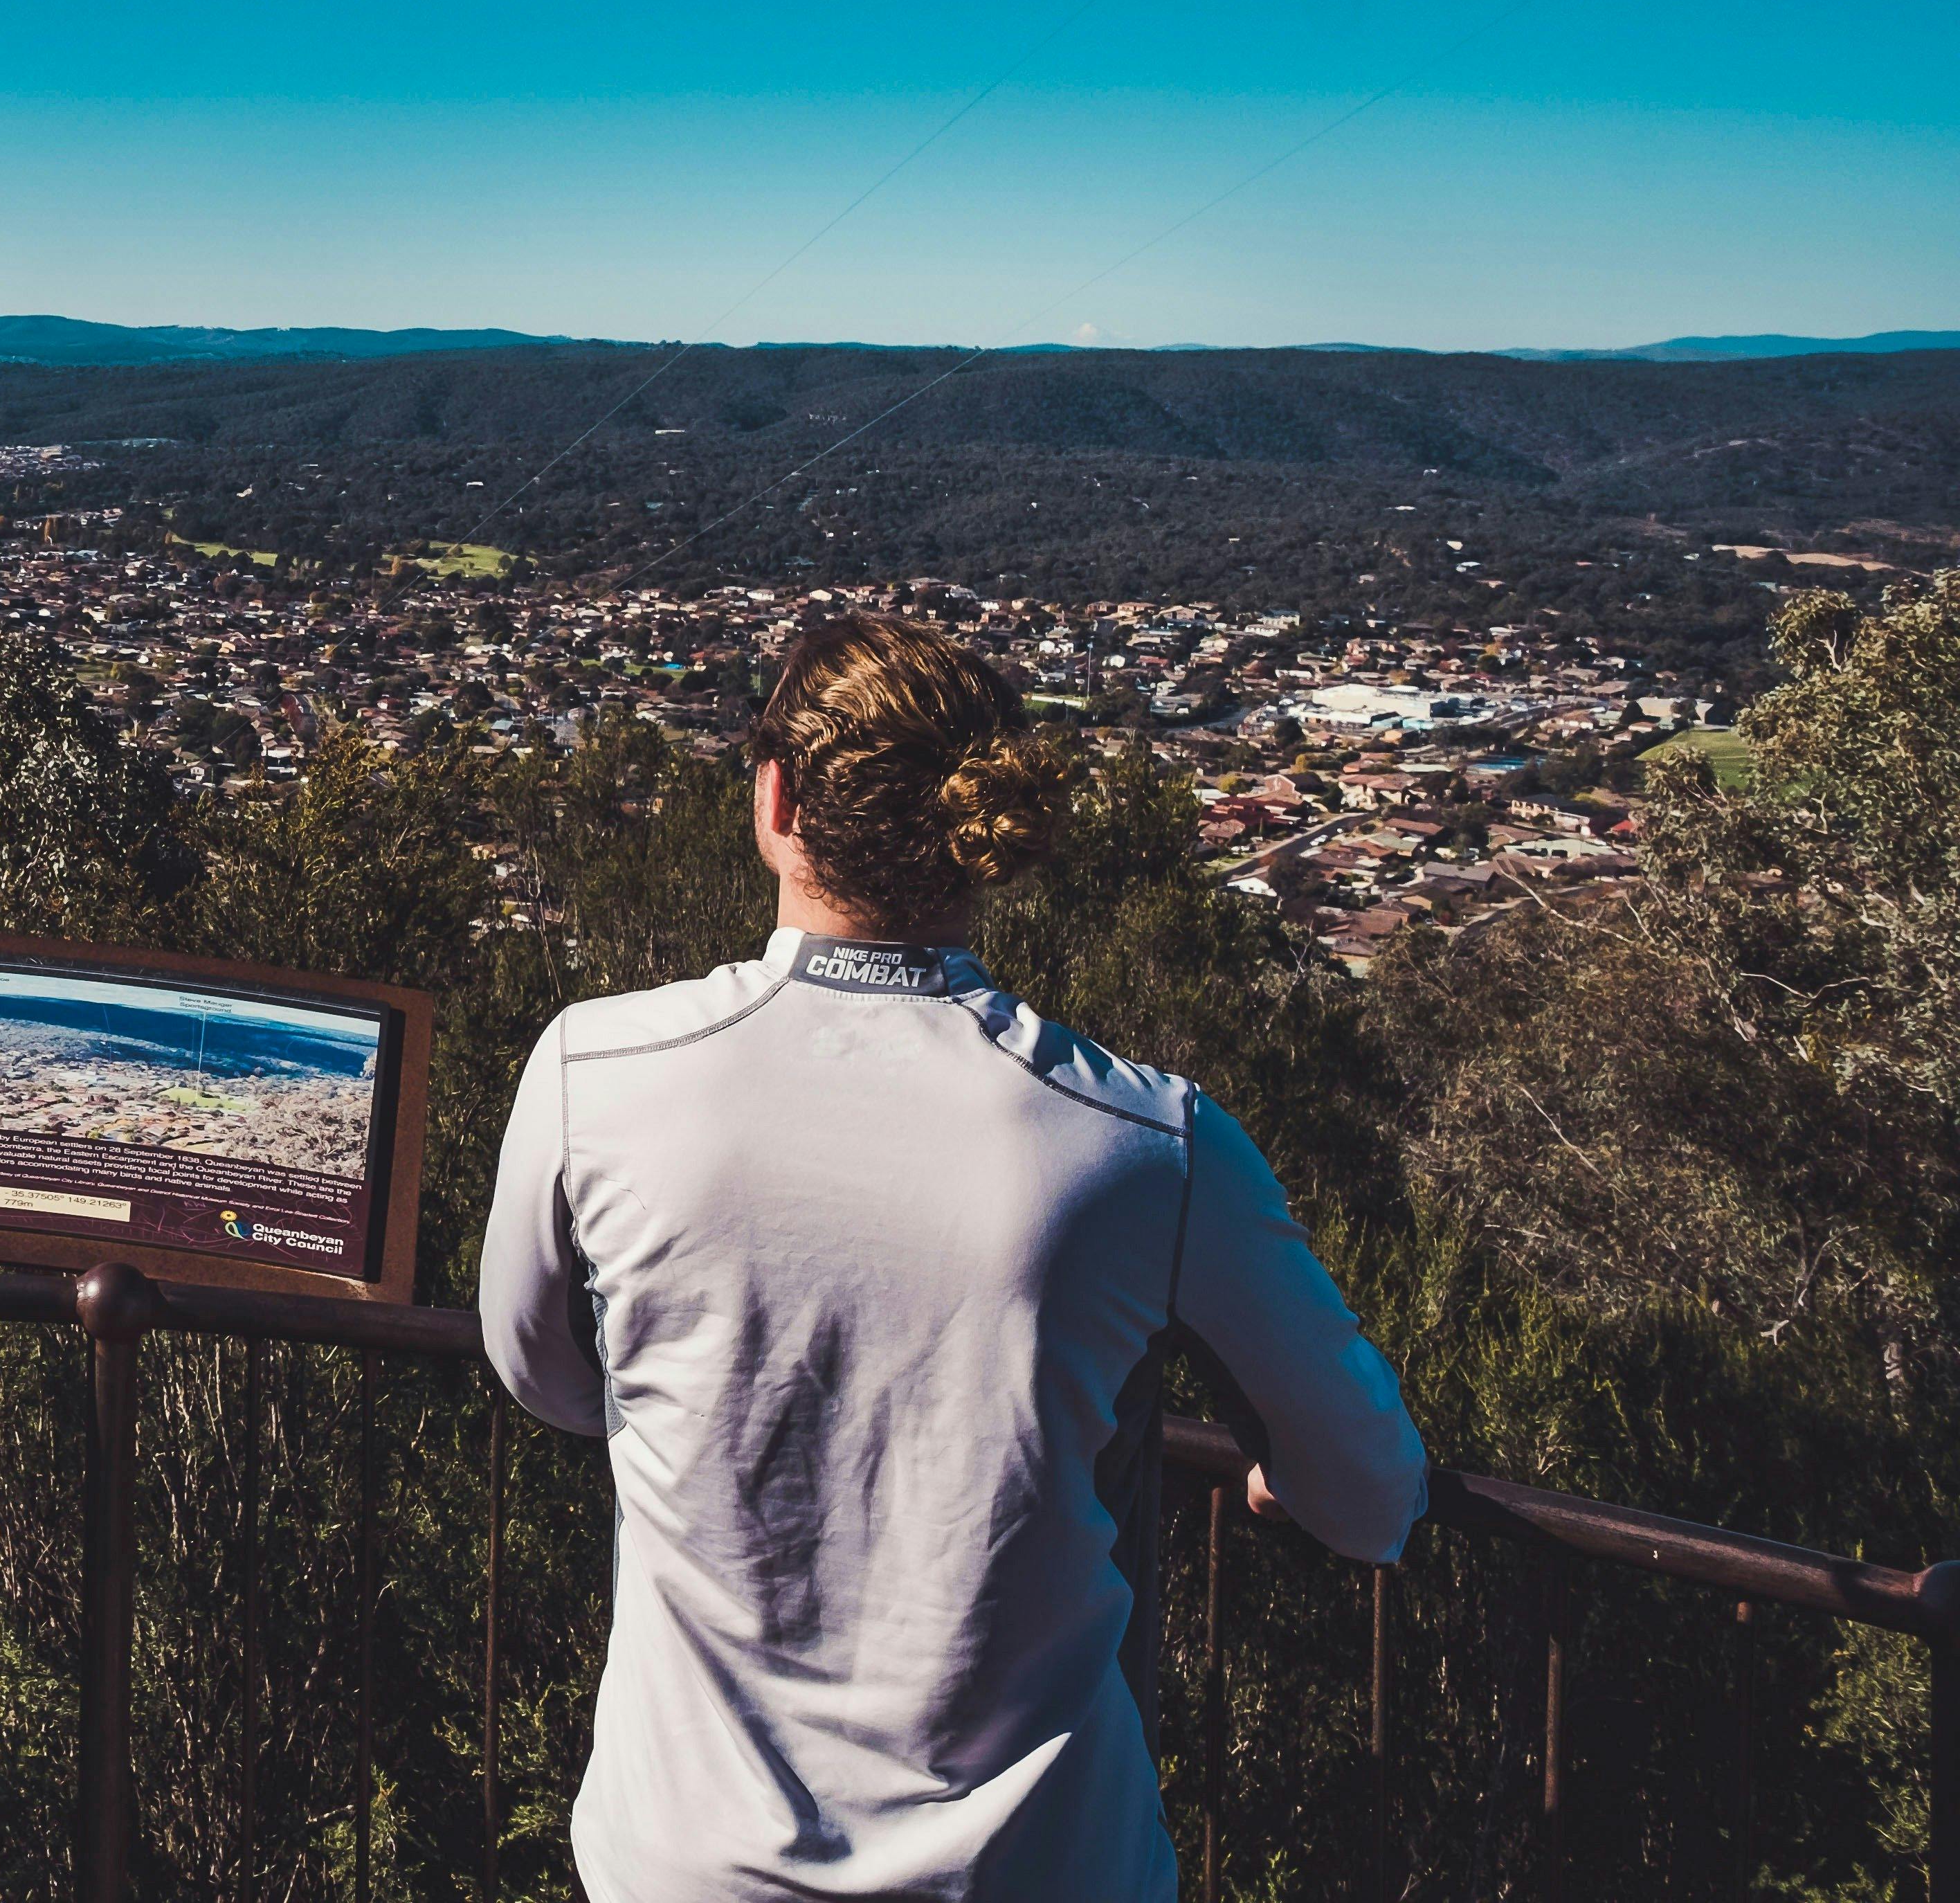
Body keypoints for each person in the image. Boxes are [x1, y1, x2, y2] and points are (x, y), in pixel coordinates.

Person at [478, 612, 1424, 1902]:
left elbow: (539, 1371)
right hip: (1035, 1869)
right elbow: (1372, 1496)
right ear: (987, 834)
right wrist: (1285, 1481)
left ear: (776, 799)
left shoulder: (600, 1073)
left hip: (683, 1864)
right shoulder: (1145, 1143)